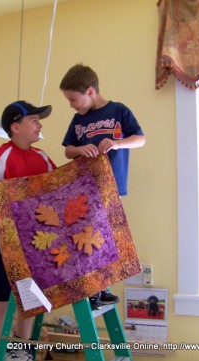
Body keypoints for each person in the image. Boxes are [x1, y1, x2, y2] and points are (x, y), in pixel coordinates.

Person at [0, 100, 56, 361]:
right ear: (16, 127)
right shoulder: (2, 155)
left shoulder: (42, 157)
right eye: (35, 121)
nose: (40, 125)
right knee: (0, 291)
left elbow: (58, 185)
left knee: (31, 289)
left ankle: (23, 345)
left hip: (33, 234)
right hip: (1, 232)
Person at [60, 63, 145, 310]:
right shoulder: (78, 120)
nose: (72, 105)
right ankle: (95, 287)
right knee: (91, 234)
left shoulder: (118, 111)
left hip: (111, 184)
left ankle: (101, 287)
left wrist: (117, 143)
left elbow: (140, 139)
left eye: (73, 99)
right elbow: (67, 150)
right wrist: (80, 149)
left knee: (106, 234)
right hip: (85, 186)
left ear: (89, 91)